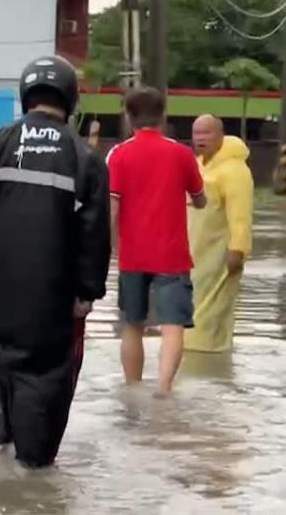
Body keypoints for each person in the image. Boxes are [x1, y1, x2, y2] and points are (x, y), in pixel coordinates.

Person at [0, 55, 111, 468]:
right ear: (70, 98)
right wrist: (87, 293)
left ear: (25, 96)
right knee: (40, 414)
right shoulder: (84, 159)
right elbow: (94, 236)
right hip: (50, 314)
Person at [106, 87, 206, 393]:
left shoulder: (118, 155)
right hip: (172, 256)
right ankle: (164, 390)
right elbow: (200, 199)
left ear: (128, 117)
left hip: (132, 256)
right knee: (173, 326)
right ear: (163, 116)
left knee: (132, 325)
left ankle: (133, 389)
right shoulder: (182, 154)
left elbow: (111, 209)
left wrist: (107, 249)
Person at [184, 115, 254, 353]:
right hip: (193, 254)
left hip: (219, 255)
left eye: (207, 133)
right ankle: (191, 359)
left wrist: (238, 249)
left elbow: (241, 215)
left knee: (208, 314)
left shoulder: (235, 170)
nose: (201, 139)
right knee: (189, 310)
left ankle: (205, 360)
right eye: (197, 133)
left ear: (221, 134)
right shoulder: (197, 165)